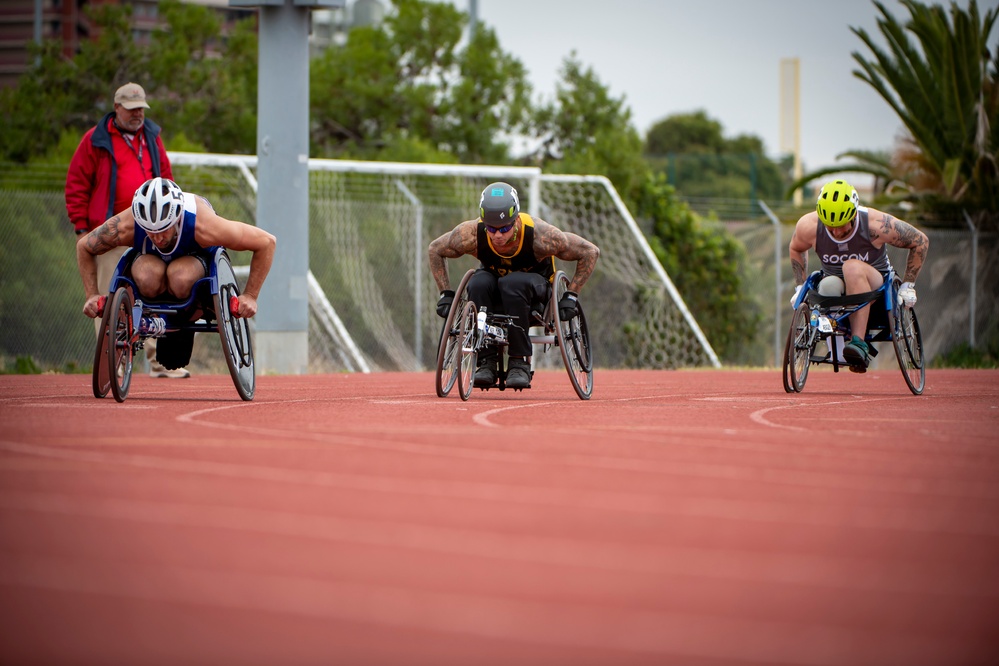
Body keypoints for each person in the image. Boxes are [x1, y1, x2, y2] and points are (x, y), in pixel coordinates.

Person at [77, 177, 277, 372]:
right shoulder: (127, 225)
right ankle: (155, 318)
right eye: (150, 231)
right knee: (146, 275)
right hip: (153, 274)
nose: (157, 238)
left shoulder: (204, 225)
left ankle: (182, 324)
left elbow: (267, 242)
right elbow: (84, 247)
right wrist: (91, 294)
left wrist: (250, 295)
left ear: (177, 218)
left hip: (194, 271)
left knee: (179, 276)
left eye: (163, 230)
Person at [429, 182, 600, 389]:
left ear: (516, 219)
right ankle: (486, 362)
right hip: (495, 290)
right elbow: (435, 249)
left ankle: (519, 362)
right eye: (491, 229)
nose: (497, 235)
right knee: (478, 282)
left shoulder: (541, 236)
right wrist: (445, 293)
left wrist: (571, 295)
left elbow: (590, 252)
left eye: (504, 228)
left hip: (535, 291)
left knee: (513, 282)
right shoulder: (471, 234)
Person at [65, 82, 185, 377]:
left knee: (156, 290)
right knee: (109, 297)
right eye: (131, 109)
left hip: (151, 231)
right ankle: (113, 362)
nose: (137, 114)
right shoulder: (95, 140)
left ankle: (160, 363)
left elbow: (166, 178)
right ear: (116, 108)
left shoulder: (152, 138)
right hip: (110, 231)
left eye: (141, 108)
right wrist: (82, 228)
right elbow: (76, 184)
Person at [788, 178, 929, 373]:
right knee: (827, 285)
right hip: (838, 287)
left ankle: (858, 343)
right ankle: (834, 337)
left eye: (842, 225)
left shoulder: (876, 225)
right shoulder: (809, 226)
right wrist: (799, 286)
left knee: (852, 267)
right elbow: (796, 248)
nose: (836, 232)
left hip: (875, 287)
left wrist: (908, 285)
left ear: (853, 214)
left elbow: (920, 241)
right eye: (830, 227)